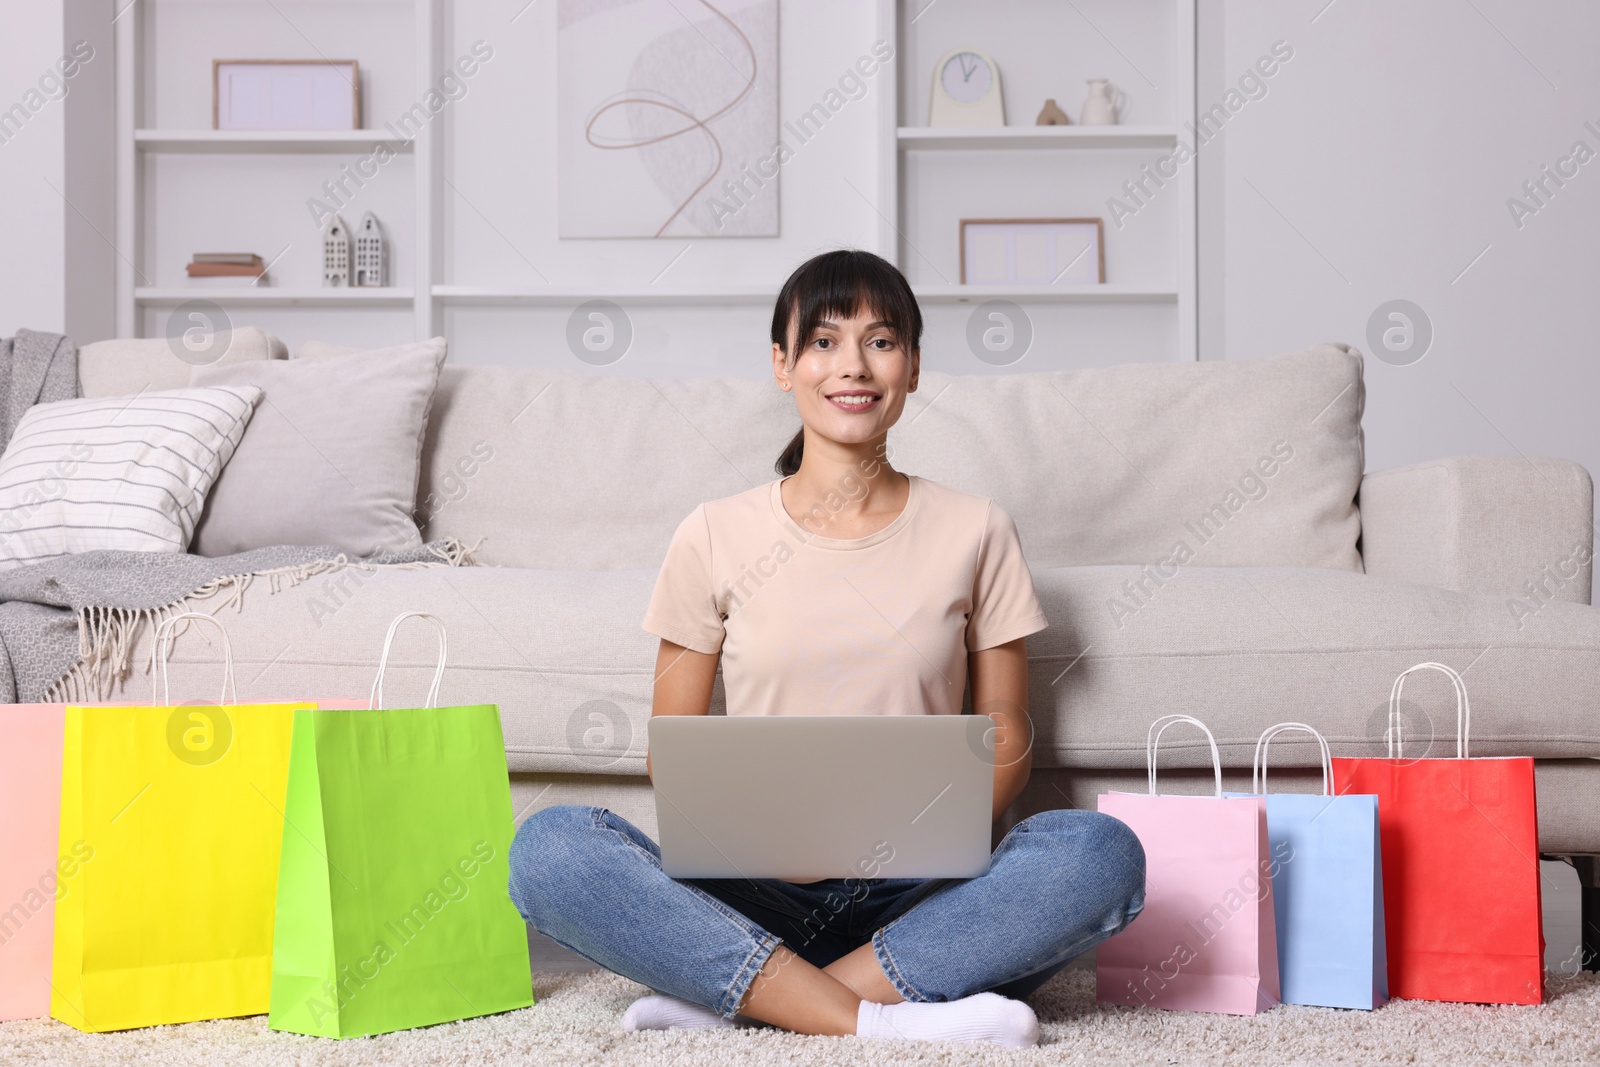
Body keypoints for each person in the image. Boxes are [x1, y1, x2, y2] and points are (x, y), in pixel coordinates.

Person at [507, 248, 1146, 1049]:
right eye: (823, 341)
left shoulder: (976, 528)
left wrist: (923, 830)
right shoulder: (713, 532)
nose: (854, 366)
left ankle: (752, 999)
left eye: (881, 341)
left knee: (1098, 852)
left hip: (918, 897)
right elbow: (670, 745)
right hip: (750, 891)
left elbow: (1010, 735)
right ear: (782, 363)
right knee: (549, 849)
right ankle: (889, 1019)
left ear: (913, 367)